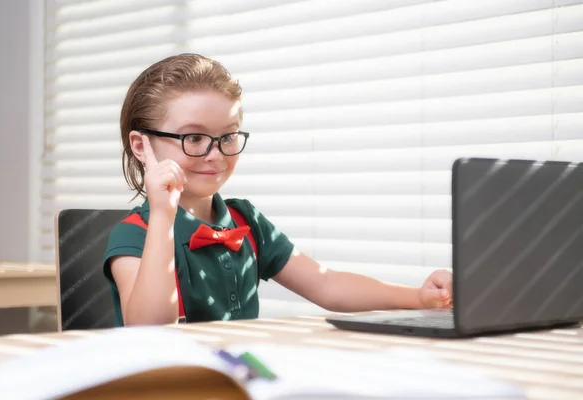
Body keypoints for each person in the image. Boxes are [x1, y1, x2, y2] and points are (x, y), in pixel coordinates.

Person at [103, 53, 453, 326]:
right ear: (140, 146)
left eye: (227, 136)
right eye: (194, 138)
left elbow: (326, 285)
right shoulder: (134, 235)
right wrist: (164, 214)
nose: (215, 154)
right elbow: (151, 328)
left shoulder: (246, 220)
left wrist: (419, 299)